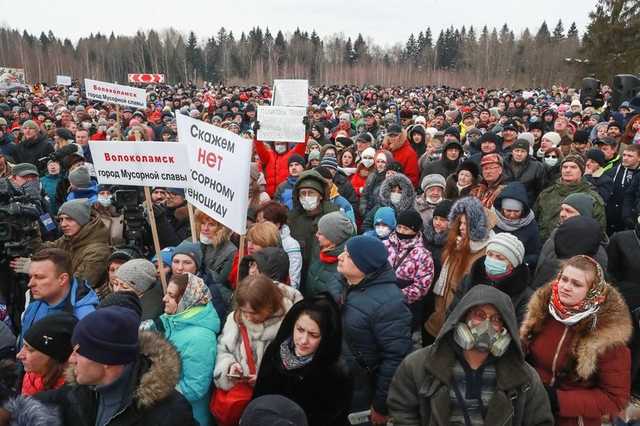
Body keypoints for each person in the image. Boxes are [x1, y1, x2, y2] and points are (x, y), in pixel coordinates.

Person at [388, 285, 553, 426]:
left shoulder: (525, 378)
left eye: (496, 319)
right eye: (479, 315)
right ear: (462, 316)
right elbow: (402, 414)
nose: (486, 325)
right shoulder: (418, 365)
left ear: (505, 328)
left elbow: (540, 421)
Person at [33, 306, 198, 425]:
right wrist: (12, 411)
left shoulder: (169, 413)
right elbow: (46, 403)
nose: (71, 359)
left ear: (105, 360)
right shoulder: (81, 389)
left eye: (78, 352)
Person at [521, 255, 632, 426]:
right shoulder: (542, 312)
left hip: (572, 419)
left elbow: (615, 398)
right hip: (531, 409)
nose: (566, 287)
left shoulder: (607, 333)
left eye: (576, 284)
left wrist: (559, 400)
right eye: (564, 279)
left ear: (593, 291)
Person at [337, 235, 412, 425]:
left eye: (348, 255)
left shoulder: (390, 303)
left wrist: (380, 405)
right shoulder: (349, 285)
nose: (340, 257)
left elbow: (395, 358)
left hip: (363, 391)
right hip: (342, 381)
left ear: (364, 265)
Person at [253, 294, 352, 426]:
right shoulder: (275, 350)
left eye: (313, 335)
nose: (303, 340)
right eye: (300, 330)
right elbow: (258, 398)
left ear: (326, 337)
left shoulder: (335, 372)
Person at [213, 274, 302, 393]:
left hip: (274, 397)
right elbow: (223, 350)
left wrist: (265, 380)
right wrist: (230, 366)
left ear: (269, 306)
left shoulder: (292, 322)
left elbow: (297, 364)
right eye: (244, 311)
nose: (248, 317)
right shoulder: (235, 319)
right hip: (241, 396)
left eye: (254, 313)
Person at [425, 196, 494, 345]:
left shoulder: (483, 252)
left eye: (466, 223)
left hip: (459, 317)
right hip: (440, 311)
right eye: (460, 223)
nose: (462, 227)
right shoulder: (456, 244)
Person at [154, 273, 220, 426]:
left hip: (189, 417)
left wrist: (154, 387)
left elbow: (194, 389)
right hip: (172, 411)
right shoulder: (175, 322)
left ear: (186, 300)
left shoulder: (200, 338)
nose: (164, 299)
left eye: (171, 295)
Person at [452, 233, 533, 324]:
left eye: (499, 257)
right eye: (490, 255)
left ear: (512, 265)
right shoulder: (469, 279)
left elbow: (518, 330)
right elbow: (453, 311)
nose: (493, 260)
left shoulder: (524, 296)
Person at [21, 248, 97, 343]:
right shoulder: (34, 299)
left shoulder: (84, 318)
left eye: (39, 277)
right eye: (30, 277)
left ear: (62, 279)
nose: (30, 283)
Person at [41, 198, 111, 288]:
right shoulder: (69, 238)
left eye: (69, 219)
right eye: (61, 219)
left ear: (83, 220)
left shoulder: (98, 252)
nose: (63, 224)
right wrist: (32, 235)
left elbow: (77, 286)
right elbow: (47, 250)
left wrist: (41, 273)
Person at [534, 155, 606, 241]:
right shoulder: (546, 193)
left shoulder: (592, 198)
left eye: (573, 167)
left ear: (582, 171)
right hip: (545, 246)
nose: (568, 170)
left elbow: (598, 230)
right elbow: (535, 220)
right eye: (565, 167)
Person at [384, 209, 434, 326]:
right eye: (399, 227)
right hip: (380, 302)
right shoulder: (384, 245)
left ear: (415, 231)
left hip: (405, 307)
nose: (401, 231)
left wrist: (396, 297)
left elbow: (421, 286)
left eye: (406, 229)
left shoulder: (423, 255)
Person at [287, 169, 340, 283]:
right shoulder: (292, 218)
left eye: (310, 193)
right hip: (298, 277)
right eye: (303, 193)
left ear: (320, 195)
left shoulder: (334, 218)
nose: (306, 197)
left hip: (322, 280)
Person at [17, 313, 77, 396]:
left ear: (54, 357)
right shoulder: (30, 377)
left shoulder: (73, 396)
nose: (19, 355)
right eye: (23, 346)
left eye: (30, 350)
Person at [492, 182, 542, 267]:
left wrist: (519, 263)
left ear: (522, 210)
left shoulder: (530, 225)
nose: (512, 215)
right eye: (508, 211)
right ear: (502, 208)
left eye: (516, 211)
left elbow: (535, 254)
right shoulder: (492, 220)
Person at [305, 211, 353, 299]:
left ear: (333, 237)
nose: (316, 235)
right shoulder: (319, 249)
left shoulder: (347, 262)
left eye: (320, 233)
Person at [256, 201, 303, 289]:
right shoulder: (257, 240)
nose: (259, 226)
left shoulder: (291, 245)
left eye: (264, 222)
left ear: (277, 224)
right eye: (258, 221)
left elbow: (293, 280)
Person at [195, 209, 237, 285]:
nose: (205, 228)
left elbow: (220, 280)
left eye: (211, 224)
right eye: (203, 223)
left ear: (221, 228)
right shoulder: (194, 239)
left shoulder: (231, 251)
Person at [504, 138, 546, 204]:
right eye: (517, 150)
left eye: (523, 151)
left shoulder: (537, 167)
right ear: (512, 151)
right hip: (505, 201)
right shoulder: (503, 163)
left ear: (527, 153)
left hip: (527, 203)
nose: (519, 154)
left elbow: (540, 189)